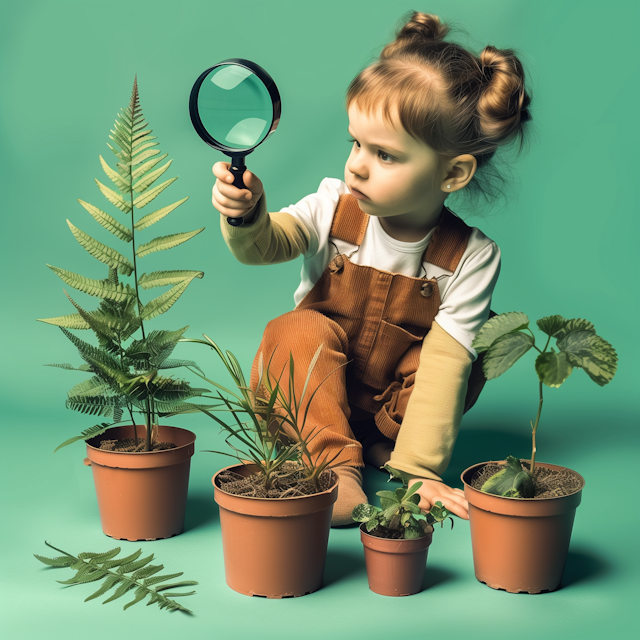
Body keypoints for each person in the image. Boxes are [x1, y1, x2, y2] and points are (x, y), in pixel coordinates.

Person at [211, 11, 532, 526]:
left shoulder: (470, 257)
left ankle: (385, 449)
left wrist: (419, 471)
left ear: (452, 172)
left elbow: (444, 373)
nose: (357, 165)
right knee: (294, 330)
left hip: (394, 412)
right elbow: (265, 245)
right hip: (309, 399)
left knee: (462, 357)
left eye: (385, 154)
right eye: (355, 143)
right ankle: (334, 467)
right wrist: (247, 214)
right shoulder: (331, 205)